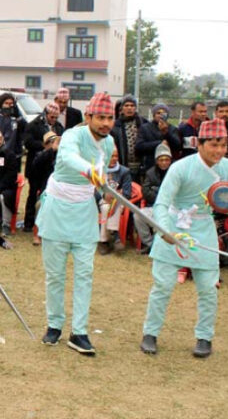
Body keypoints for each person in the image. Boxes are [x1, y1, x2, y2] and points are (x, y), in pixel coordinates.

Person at [139, 119, 228, 358]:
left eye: (224, 145)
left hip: (204, 227)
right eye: (214, 144)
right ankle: (150, 332)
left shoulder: (225, 168)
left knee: (209, 288)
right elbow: (162, 203)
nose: (219, 150)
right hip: (175, 224)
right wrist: (165, 231)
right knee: (163, 285)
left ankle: (204, 337)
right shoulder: (181, 168)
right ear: (199, 143)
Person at [36, 92, 115, 356]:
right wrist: (90, 170)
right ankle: (54, 324)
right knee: (55, 275)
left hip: (84, 212)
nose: (105, 123)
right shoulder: (71, 135)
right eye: (101, 117)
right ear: (89, 117)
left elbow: (104, 172)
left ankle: (79, 331)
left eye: (110, 118)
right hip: (58, 209)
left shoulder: (109, 142)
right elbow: (68, 157)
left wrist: (104, 186)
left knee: (85, 274)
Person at [23, 103, 64, 232]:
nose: (53, 119)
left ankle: (43, 222)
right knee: (32, 194)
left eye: (56, 117)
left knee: (47, 194)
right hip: (35, 165)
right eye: (52, 116)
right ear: (46, 114)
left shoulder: (59, 127)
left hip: (50, 168)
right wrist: (46, 147)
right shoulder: (33, 125)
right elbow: (28, 143)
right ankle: (28, 223)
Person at [135, 144, 172, 254]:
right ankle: (150, 244)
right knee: (137, 215)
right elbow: (145, 191)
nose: (164, 162)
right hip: (154, 206)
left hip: (172, 209)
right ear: (157, 161)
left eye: (167, 159)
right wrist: (161, 198)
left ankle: (162, 245)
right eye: (161, 160)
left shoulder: (175, 172)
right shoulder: (150, 173)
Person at [97, 149, 132, 255]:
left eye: (116, 156)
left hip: (118, 200)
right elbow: (93, 189)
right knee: (104, 207)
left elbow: (127, 192)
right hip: (102, 199)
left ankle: (106, 240)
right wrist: (103, 195)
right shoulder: (98, 170)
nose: (114, 159)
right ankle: (112, 239)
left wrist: (117, 195)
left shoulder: (124, 171)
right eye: (111, 156)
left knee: (111, 206)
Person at [110, 95, 147, 181]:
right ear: (122, 108)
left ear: (135, 108)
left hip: (141, 166)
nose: (129, 108)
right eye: (126, 105)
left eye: (132, 105)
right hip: (122, 166)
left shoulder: (144, 124)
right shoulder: (115, 126)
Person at [136, 104, 181, 173]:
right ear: (154, 115)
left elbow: (178, 146)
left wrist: (167, 133)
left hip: (168, 166)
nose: (160, 115)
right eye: (158, 113)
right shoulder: (145, 128)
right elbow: (139, 146)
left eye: (163, 113)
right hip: (150, 165)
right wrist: (159, 143)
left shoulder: (172, 129)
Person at [0, 92, 27, 165]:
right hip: (0, 154)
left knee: (14, 174)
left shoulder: (16, 119)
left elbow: (25, 129)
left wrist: (18, 116)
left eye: (11, 103)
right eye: (6, 103)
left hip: (15, 155)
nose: (9, 106)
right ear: (1, 105)